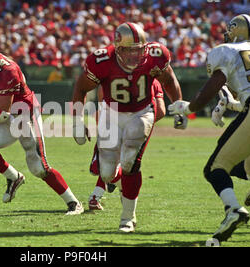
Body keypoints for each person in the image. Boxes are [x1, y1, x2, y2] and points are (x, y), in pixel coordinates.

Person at [169, 14, 250, 243]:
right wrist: (235, 103)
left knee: (215, 167)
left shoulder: (226, 50)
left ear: (234, 31)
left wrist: (189, 107)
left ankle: (233, 209)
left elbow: (213, 86)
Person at [72, 22, 184, 232]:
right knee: (106, 173)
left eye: (139, 49)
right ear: (119, 48)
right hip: (110, 113)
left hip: (142, 111)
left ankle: (127, 218)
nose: (136, 55)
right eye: (130, 50)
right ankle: (117, 183)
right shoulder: (101, 60)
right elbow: (80, 88)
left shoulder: (155, 55)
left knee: (131, 160)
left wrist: (178, 106)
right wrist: (77, 121)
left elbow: (169, 81)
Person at [0, 36, 84, 215]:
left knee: (39, 167)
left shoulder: (7, 70)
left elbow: (1, 111)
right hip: (4, 116)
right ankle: (13, 177)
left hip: (24, 114)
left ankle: (73, 203)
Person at [88, 80, 166, 211]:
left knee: (104, 167)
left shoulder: (115, 71)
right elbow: (161, 111)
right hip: (126, 129)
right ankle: (111, 192)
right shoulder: (151, 77)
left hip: (119, 128)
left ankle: (98, 196)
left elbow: (161, 110)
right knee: (108, 168)